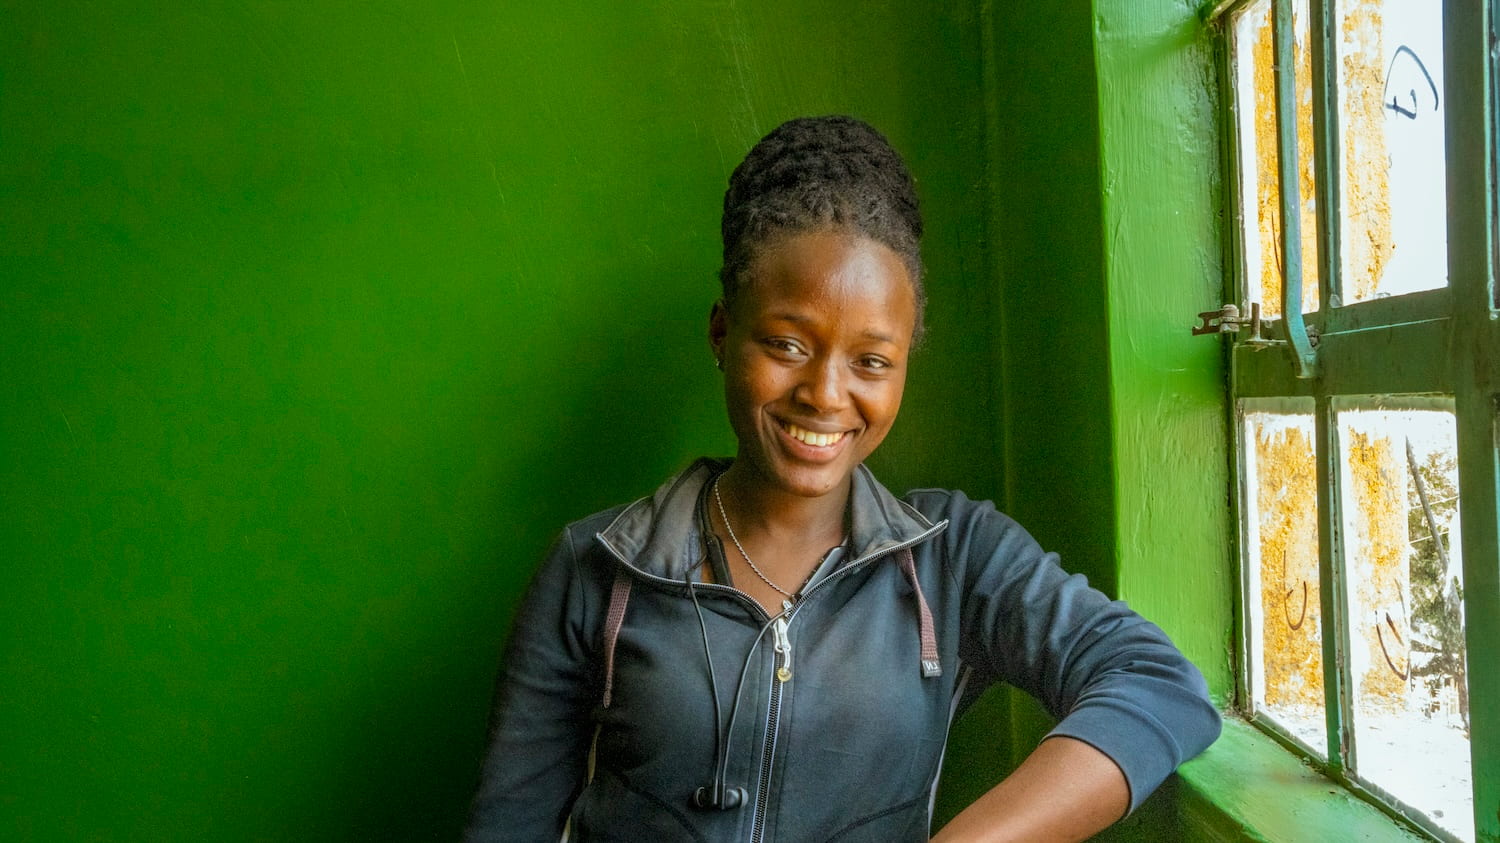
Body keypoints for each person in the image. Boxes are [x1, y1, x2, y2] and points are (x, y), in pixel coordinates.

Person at [465, 115, 1220, 842]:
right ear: (722, 333)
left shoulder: (952, 559)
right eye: (788, 343)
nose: (826, 394)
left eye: (871, 361)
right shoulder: (596, 567)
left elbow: (1159, 685)